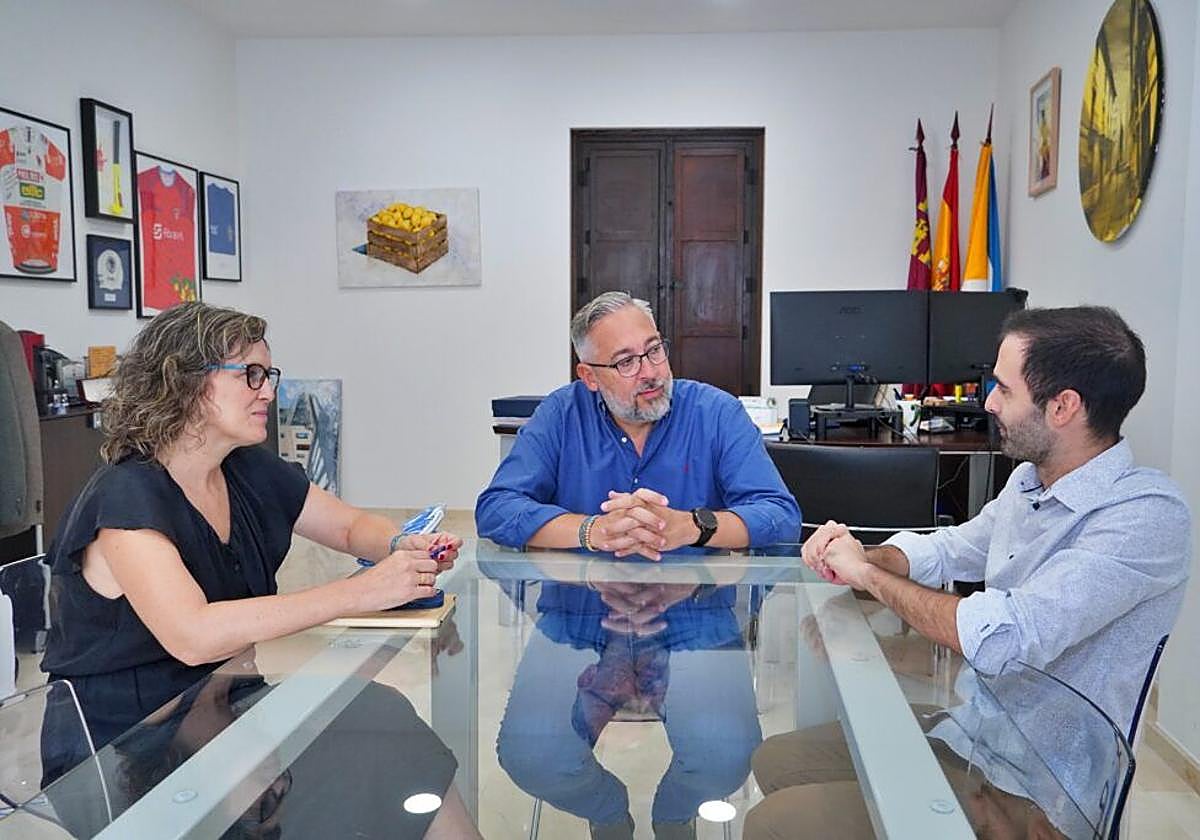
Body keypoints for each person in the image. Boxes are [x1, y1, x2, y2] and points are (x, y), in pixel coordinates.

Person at [747, 306, 1191, 837]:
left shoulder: (1145, 515)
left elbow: (1006, 634)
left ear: (1063, 406)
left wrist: (870, 579)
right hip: (975, 734)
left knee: (775, 824)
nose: (988, 402)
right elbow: (954, 548)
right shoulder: (1031, 481)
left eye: (1004, 389)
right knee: (775, 761)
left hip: (1039, 793)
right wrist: (868, 556)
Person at [40, 302, 463, 755]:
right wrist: (363, 592)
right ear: (185, 381)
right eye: (251, 375)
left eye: (268, 375)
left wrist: (401, 544)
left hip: (223, 705)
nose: (267, 393)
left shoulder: (244, 469)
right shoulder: (124, 497)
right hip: (127, 746)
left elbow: (348, 527)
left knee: (382, 714)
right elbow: (194, 636)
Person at [476, 291, 800, 558]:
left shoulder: (717, 413)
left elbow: (781, 517)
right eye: (626, 361)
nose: (650, 372)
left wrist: (691, 527)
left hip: (696, 617)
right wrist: (594, 531)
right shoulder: (561, 414)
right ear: (590, 376)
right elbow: (496, 508)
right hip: (577, 619)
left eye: (654, 349)